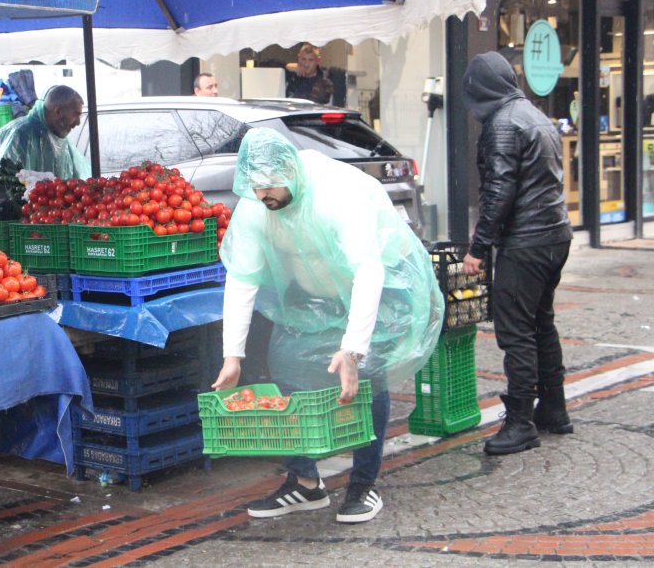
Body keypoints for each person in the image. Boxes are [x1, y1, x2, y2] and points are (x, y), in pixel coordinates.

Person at [212, 128, 443, 523]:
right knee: (284, 364)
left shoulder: (338, 196)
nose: (261, 194)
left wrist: (352, 349)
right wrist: (232, 356)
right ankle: (305, 483)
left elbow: (367, 272)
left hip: (374, 283)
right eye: (253, 186)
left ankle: (363, 484)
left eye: (269, 186)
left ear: (290, 173)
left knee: (368, 377)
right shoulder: (256, 207)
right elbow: (242, 279)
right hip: (312, 294)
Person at [461, 51, 574, 456]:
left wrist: (478, 248)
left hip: (525, 242)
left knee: (516, 332)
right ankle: (554, 410)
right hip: (555, 235)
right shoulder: (536, 116)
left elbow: (499, 191)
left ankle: (521, 422)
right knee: (541, 323)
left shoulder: (503, 125)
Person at [0, 84, 89, 179]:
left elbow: (74, 181)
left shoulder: (60, 139)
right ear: (58, 111)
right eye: (76, 115)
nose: (78, 122)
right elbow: (10, 185)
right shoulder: (20, 134)